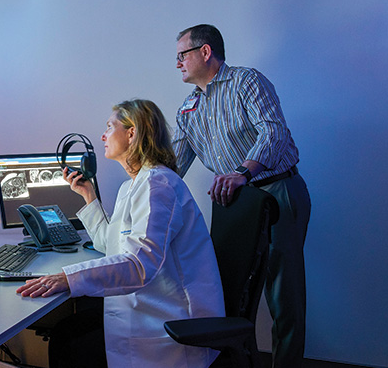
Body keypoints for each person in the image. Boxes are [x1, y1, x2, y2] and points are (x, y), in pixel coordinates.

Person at [17, 99, 225, 368]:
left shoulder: (158, 184)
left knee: (69, 341)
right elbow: (110, 244)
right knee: (66, 333)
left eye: (109, 126)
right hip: (144, 309)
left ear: (132, 132)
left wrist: (69, 278)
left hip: (167, 325)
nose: (103, 135)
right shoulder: (133, 186)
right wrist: (88, 196)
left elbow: (139, 265)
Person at [172, 24, 311, 368]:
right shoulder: (189, 108)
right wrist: (138, 186)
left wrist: (243, 173)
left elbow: (273, 131)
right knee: (232, 292)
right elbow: (171, 166)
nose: (177, 64)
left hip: (276, 190)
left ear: (205, 52)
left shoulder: (247, 82)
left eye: (182, 55)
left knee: (283, 296)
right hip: (235, 202)